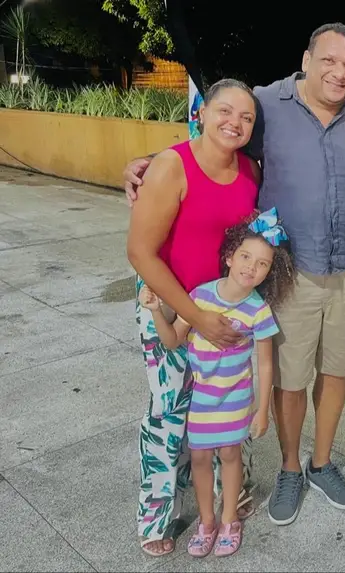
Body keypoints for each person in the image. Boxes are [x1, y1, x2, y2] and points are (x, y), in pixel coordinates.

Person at [123, 23, 345, 525]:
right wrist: (149, 164)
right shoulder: (266, 104)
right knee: (274, 382)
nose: (340, 72)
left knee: (327, 374)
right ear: (306, 60)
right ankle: (285, 470)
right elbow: (212, 140)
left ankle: (317, 465)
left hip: (341, 270)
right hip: (277, 275)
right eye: (329, 60)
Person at [126, 78, 262, 557]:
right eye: (225, 111)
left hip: (225, 310)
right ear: (201, 112)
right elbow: (140, 252)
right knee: (169, 412)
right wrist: (195, 317)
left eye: (246, 117)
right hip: (169, 304)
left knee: (224, 401)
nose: (234, 123)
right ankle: (156, 514)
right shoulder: (171, 166)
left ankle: (226, 492)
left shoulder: (250, 169)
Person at [137, 208, 294, 557]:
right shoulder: (199, 297)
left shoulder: (259, 311)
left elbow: (266, 364)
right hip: (203, 399)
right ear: (229, 257)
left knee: (231, 455)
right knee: (200, 459)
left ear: (269, 272)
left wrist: (262, 410)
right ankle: (206, 522)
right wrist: (155, 310)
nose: (251, 268)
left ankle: (229, 520)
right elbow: (172, 340)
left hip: (236, 399)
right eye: (245, 257)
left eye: (262, 264)